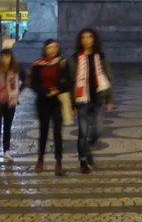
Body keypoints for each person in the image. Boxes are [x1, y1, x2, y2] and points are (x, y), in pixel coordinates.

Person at [71, 27, 113, 174]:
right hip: (81, 100)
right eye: (83, 37)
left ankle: (88, 148)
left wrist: (109, 99)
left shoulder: (100, 57)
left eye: (89, 37)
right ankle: (82, 161)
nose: (86, 40)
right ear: (80, 40)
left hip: (97, 98)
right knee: (83, 132)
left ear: (94, 39)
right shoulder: (75, 58)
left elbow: (107, 77)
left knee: (98, 129)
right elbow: (71, 82)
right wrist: (71, 105)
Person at [28, 39, 71, 175]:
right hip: (43, 101)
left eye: (55, 47)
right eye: (50, 47)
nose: (53, 50)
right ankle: (40, 159)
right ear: (45, 49)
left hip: (57, 101)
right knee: (43, 132)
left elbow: (69, 82)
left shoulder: (62, 63)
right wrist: (45, 92)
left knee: (57, 133)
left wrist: (57, 90)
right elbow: (33, 84)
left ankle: (59, 162)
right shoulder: (38, 64)